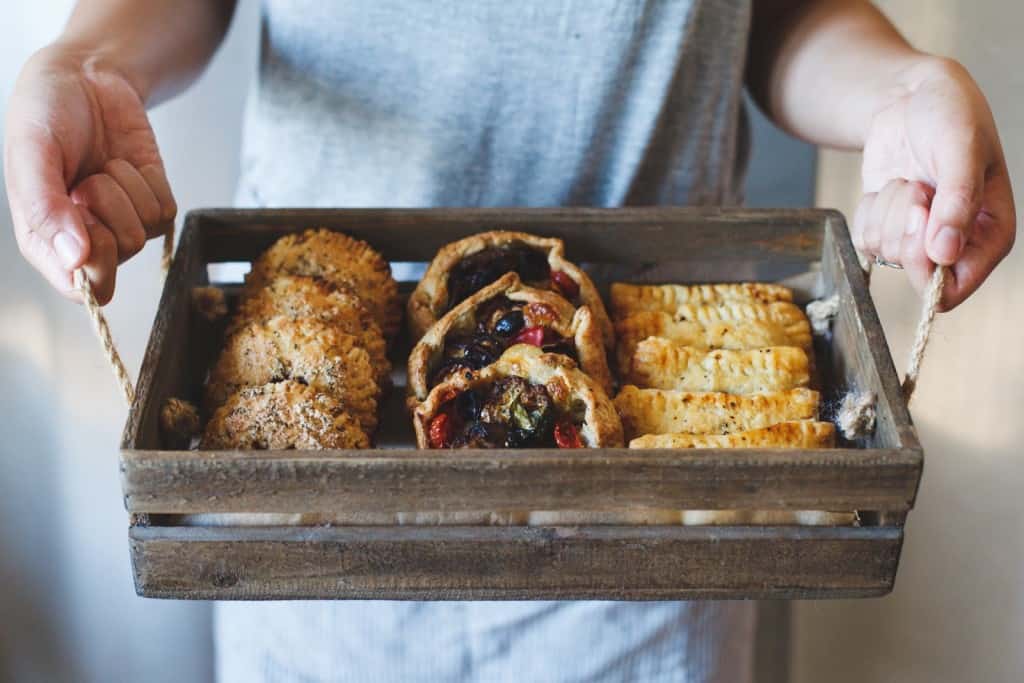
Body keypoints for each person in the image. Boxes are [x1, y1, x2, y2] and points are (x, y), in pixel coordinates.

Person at [4, 1, 1014, 681]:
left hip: (648, 554)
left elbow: (779, 14)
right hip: (312, 520)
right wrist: (86, 59)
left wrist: (896, 89)